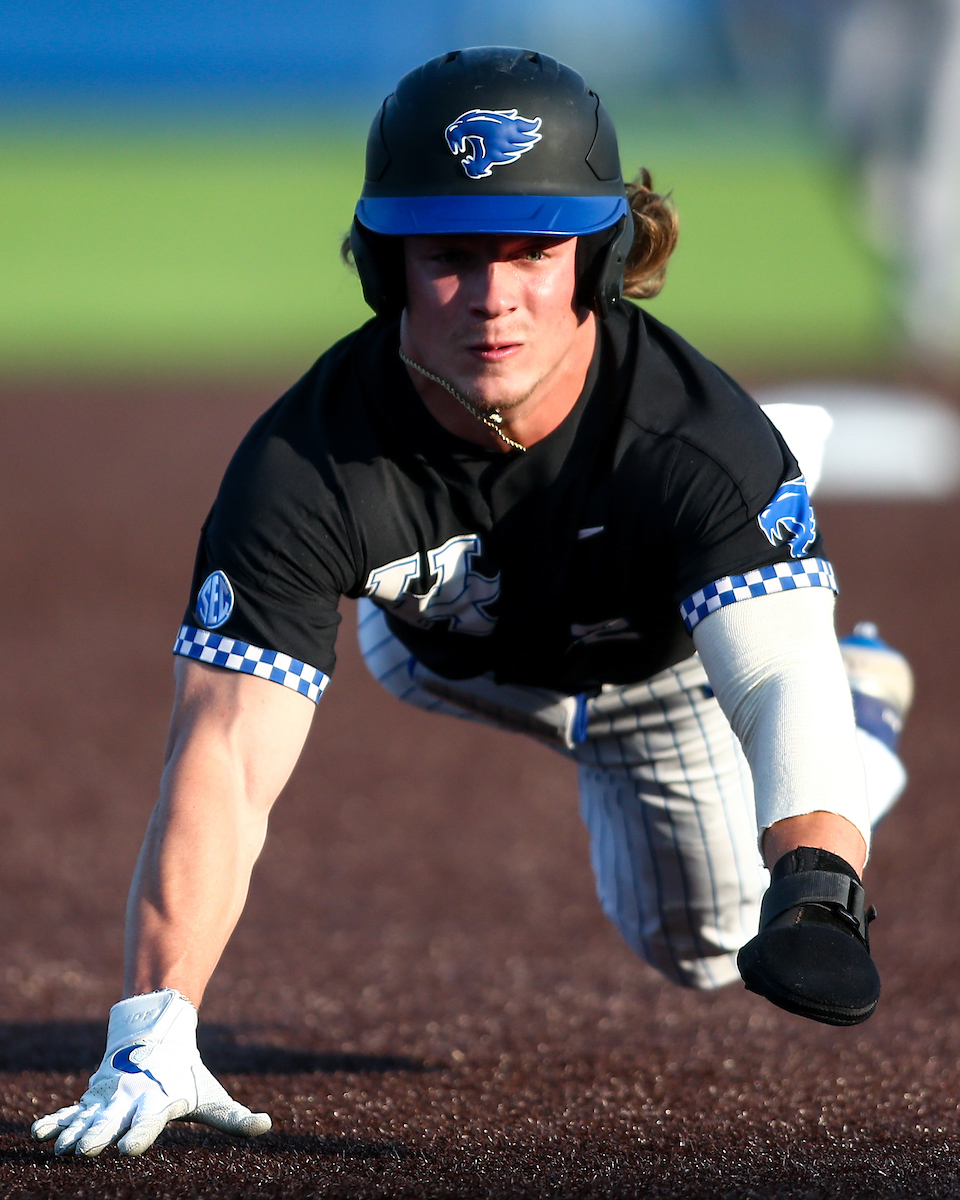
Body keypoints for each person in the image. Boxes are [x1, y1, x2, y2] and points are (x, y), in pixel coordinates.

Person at [32, 47, 912, 1159]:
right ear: (384, 268)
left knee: (703, 944)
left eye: (534, 251)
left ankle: (864, 715)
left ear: (595, 264)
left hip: (653, 672)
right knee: (365, 642)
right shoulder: (301, 467)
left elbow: (778, 670)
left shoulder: (698, 437)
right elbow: (223, 757)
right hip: (447, 650)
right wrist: (153, 1024)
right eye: (448, 256)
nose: (494, 299)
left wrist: (822, 883)